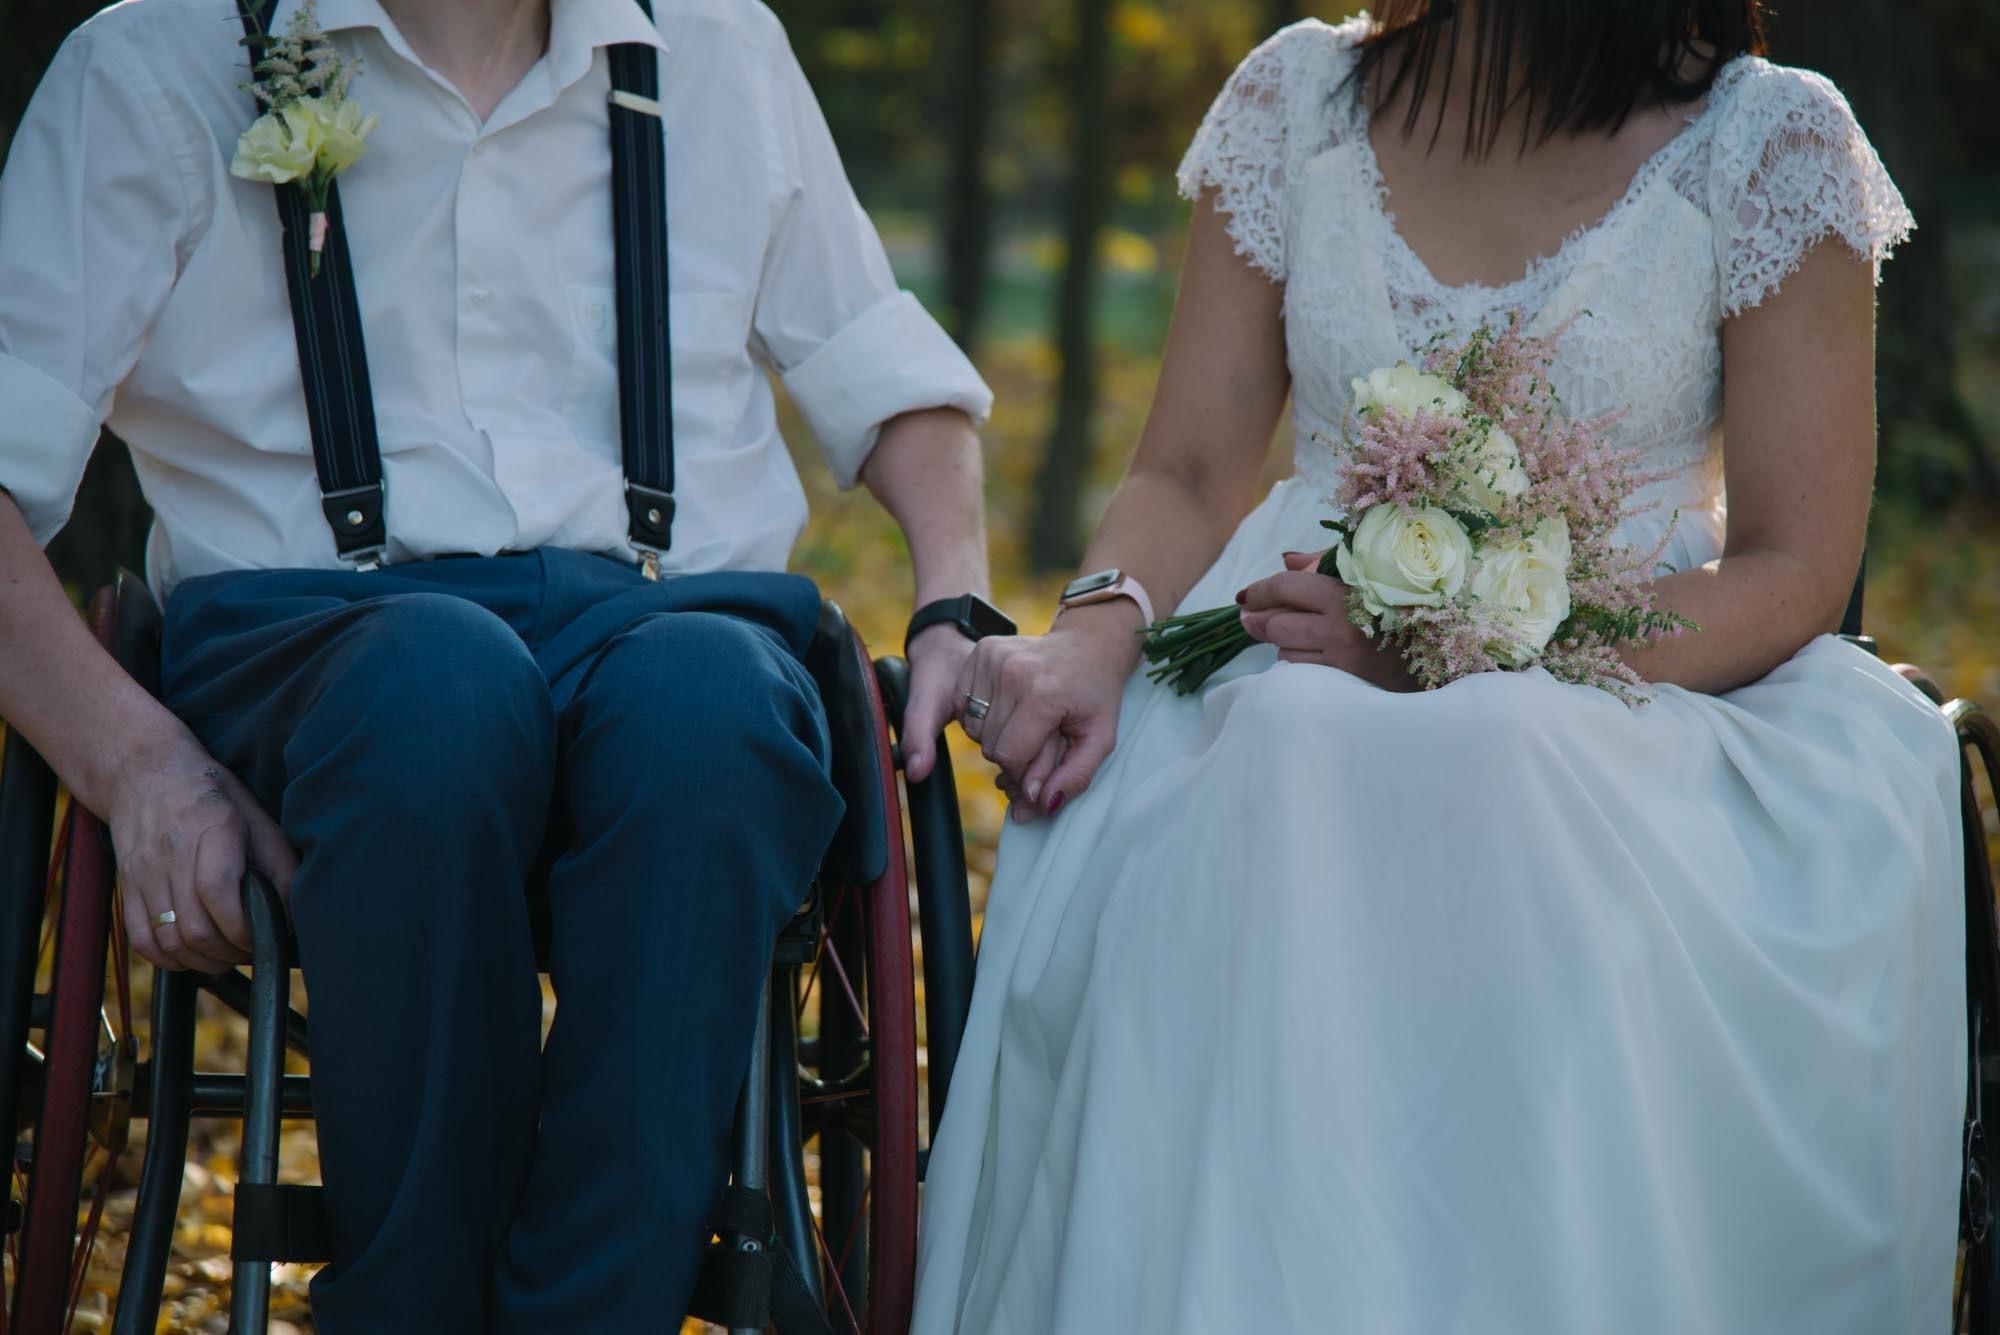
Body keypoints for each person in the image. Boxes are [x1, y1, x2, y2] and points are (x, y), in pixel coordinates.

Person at [913, 2, 1966, 1330]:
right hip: (1278, 649)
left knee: (1487, 748)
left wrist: (1456, 644)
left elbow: (1793, 568)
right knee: (1286, 745)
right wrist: (1095, 629)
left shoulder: (1769, 141)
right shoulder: (1294, 101)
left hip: (1641, 682)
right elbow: (1183, 470)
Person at [0, 0, 1001, 1328]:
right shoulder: (151, 62)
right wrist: (133, 768)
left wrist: (955, 605)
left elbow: (886, 378)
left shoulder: (716, 47)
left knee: (708, 710)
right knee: (438, 685)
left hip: (665, 626)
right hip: (310, 646)